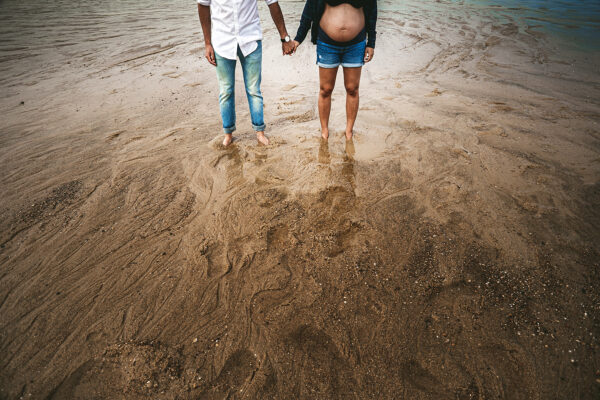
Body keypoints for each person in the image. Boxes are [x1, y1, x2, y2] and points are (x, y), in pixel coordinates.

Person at [198, 0, 295, 147]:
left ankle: (260, 132)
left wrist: (285, 37)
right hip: (222, 41)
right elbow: (203, 6)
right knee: (226, 91)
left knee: (254, 89)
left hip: (251, 39)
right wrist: (207, 43)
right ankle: (228, 134)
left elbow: (272, 3)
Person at [292, 0, 377, 141]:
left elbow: (371, 11)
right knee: (325, 89)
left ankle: (349, 131)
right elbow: (309, 11)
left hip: (356, 45)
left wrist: (371, 43)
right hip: (327, 44)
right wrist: (297, 39)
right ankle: (324, 131)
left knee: (352, 89)